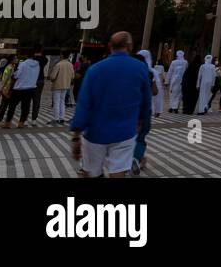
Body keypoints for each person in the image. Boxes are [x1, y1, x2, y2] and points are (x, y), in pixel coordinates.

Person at [70, 31, 151, 178]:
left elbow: (84, 104)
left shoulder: (94, 70)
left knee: (92, 172)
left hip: (95, 133)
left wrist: (76, 135)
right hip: (125, 131)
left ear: (109, 46)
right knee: (118, 171)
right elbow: (146, 102)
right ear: (130, 46)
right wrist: (142, 124)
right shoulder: (140, 69)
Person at [0, 51, 41, 128]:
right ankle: (21, 123)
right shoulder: (37, 65)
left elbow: (16, 75)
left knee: (12, 106)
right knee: (25, 107)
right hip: (30, 88)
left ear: (26, 56)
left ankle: (7, 123)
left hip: (19, 88)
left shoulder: (23, 64)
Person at [48, 50, 76, 125]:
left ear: (62, 55)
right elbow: (73, 76)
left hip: (57, 85)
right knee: (62, 102)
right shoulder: (70, 65)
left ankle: (56, 119)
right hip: (66, 86)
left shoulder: (59, 64)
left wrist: (51, 77)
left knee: (56, 102)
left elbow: (53, 76)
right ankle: (62, 118)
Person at [29, 48, 48, 123]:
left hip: (30, 80)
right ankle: (34, 119)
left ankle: (23, 119)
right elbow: (45, 58)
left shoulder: (31, 59)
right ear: (41, 51)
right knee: (37, 100)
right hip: (40, 79)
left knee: (27, 100)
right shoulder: (44, 59)